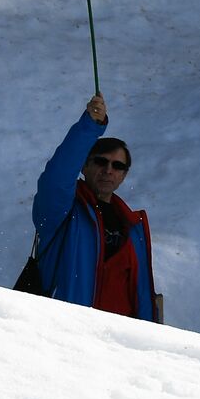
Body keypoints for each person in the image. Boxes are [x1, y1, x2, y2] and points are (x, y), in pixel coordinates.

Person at [32, 93, 159, 321]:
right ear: (84, 166)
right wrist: (90, 127)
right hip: (66, 332)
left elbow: (139, 293)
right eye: (101, 161)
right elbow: (57, 177)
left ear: (124, 175)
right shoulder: (62, 210)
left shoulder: (133, 226)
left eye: (117, 166)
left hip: (120, 343)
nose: (109, 170)